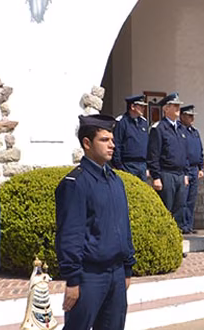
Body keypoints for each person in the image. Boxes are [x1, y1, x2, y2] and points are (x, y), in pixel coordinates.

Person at [55, 114, 136, 330]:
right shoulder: (76, 183)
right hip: (89, 275)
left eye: (112, 140)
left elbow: (123, 226)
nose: (111, 145)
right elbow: (70, 234)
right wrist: (72, 279)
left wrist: (127, 268)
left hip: (116, 273)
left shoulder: (115, 180)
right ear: (87, 143)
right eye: (104, 140)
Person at [146, 92, 190, 232]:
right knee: (166, 210)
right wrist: (156, 177)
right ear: (166, 108)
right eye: (175, 106)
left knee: (179, 211)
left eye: (179, 106)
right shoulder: (158, 128)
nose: (178, 109)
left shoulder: (181, 129)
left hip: (179, 175)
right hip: (166, 174)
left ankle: (176, 244)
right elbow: (153, 154)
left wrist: (186, 174)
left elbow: (185, 154)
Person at [111, 94, 150, 182]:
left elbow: (147, 145)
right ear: (132, 106)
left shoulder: (144, 122)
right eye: (141, 106)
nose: (143, 108)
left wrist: (148, 166)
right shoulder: (122, 122)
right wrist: (119, 166)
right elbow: (117, 144)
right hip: (128, 164)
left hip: (142, 165)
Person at [180, 104, 204, 235]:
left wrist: (200, 166)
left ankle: (189, 225)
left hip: (194, 169)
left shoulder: (194, 132)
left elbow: (199, 150)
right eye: (189, 116)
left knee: (191, 199)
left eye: (192, 116)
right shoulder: (180, 131)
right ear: (182, 116)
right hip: (185, 169)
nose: (192, 118)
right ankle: (183, 225)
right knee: (183, 198)